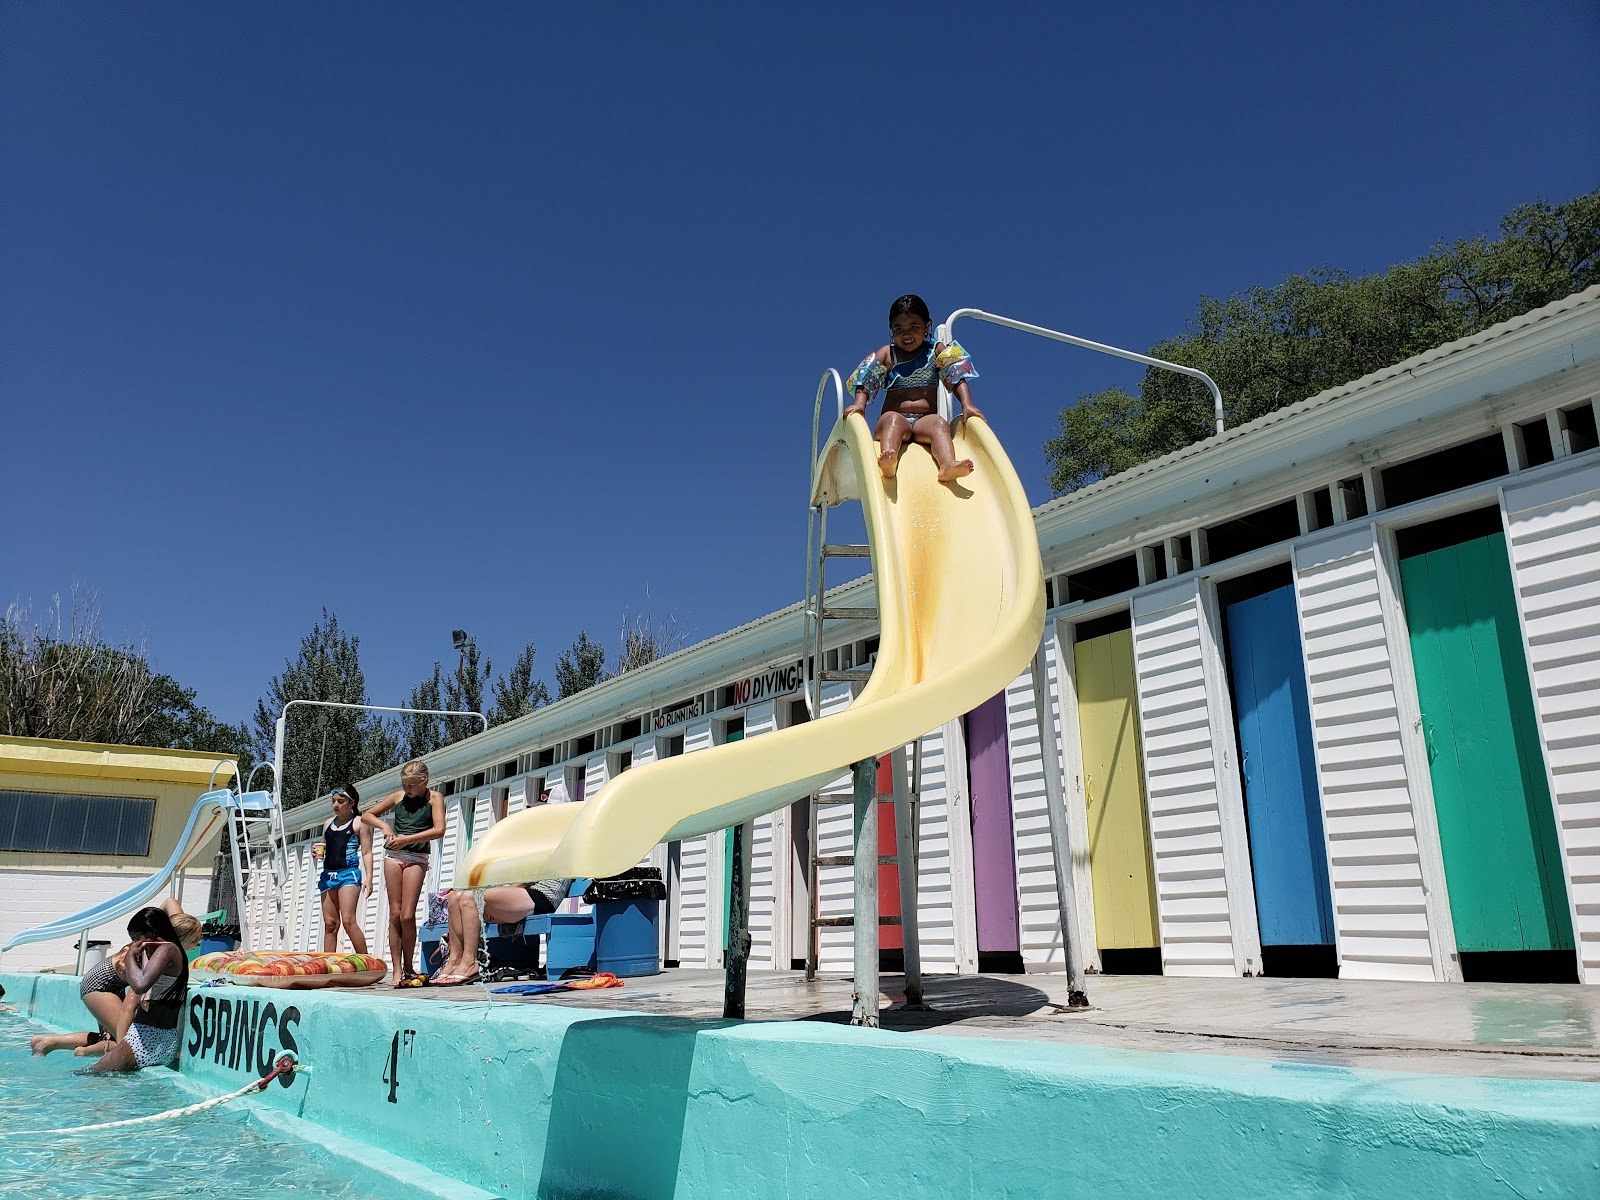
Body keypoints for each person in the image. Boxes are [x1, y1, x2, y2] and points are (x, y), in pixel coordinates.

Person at [29, 901, 203, 1058]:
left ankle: (47, 1043)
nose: (199, 943)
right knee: (127, 1039)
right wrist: (123, 1050)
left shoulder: (167, 940)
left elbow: (170, 902)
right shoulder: (150, 956)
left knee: (112, 1036)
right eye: (195, 939)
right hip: (99, 985)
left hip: (108, 982)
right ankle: (84, 1052)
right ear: (180, 938)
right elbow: (129, 1006)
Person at [844, 293, 984, 482]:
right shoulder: (887, 354)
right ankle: (888, 459)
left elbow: (958, 376)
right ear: (891, 330)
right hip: (894, 420)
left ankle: (947, 464)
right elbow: (865, 380)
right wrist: (859, 405)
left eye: (914, 327)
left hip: (923, 423)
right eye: (899, 329)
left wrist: (967, 405)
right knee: (893, 419)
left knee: (939, 423)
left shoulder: (937, 351)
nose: (906, 334)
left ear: (927, 326)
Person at [361, 759, 445, 987]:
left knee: (408, 915)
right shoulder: (398, 797)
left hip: (417, 857)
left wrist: (407, 839)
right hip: (393, 857)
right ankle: (397, 968)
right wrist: (385, 827)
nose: (407, 789)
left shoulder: (435, 799)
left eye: (411, 785)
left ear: (423, 782)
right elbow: (366, 816)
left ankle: (409, 965)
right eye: (404, 784)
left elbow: (439, 829)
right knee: (394, 913)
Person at [85, 907, 190, 1073]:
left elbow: (140, 984)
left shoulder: (167, 949)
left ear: (151, 933)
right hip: (158, 1040)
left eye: (135, 939)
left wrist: (129, 957)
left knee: (87, 1075)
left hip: (147, 1040)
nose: (134, 944)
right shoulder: (169, 951)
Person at [431, 878, 572, 987]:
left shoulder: (555, 843)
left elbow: (531, 876)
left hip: (541, 896)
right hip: (522, 892)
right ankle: (454, 961)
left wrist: (499, 899)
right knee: (455, 897)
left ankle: (470, 962)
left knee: (471, 897)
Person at [318, 783, 373, 954]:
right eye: (333, 801)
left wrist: (369, 877)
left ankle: (366, 961)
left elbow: (366, 852)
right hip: (328, 875)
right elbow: (326, 848)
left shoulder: (359, 823)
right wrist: (318, 852)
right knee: (330, 923)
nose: (336, 805)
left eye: (340, 801)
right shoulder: (328, 824)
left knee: (348, 921)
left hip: (348, 874)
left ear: (352, 803)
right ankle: (327, 963)